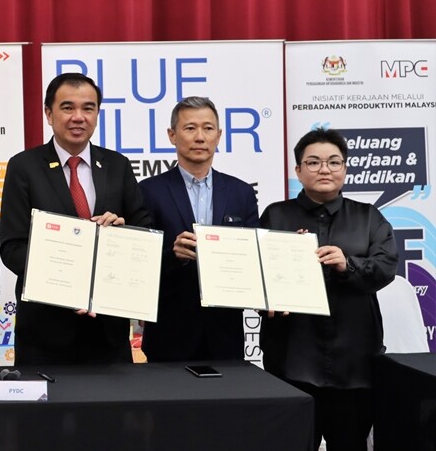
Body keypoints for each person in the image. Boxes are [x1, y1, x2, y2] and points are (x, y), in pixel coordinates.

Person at [259, 128, 397, 451]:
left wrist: (348, 264)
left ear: (345, 169)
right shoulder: (276, 215)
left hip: (354, 363)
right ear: (298, 170)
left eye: (334, 162)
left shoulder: (368, 217)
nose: (324, 169)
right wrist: (267, 294)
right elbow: (257, 274)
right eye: (314, 162)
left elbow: (387, 266)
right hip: (290, 360)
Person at [0, 72, 152, 366]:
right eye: (67, 107)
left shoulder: (117, 165)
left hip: (108, 331)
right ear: (48, 113)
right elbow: (13, 248)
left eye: (88, 108)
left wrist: (122, 231)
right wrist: (68, 287)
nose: (78, 117)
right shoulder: (24, 167)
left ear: (97, 114)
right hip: (45, 332)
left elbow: (144, 233)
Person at [138, 96, 259, 362]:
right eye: (190, 128)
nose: (200, 137)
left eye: (208, 128)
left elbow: (253, 259)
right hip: (169, 332)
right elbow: (138, 262)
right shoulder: (148, 191)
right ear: (172, 135)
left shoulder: (241, 192)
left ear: (219, 135)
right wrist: (173, 255)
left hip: (226, 334)